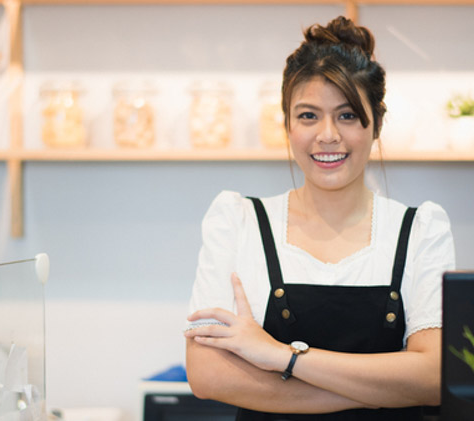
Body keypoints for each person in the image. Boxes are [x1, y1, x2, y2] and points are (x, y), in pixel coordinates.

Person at [184, 16, 456, 421]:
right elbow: (207, 375)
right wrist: (381, 390)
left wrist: (280, 356)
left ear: (376, 124)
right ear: (288, 126)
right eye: (308, 115)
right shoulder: (238, 221)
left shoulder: (420, 230)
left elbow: (433, 377)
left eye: (347, 115)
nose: (327, 135)